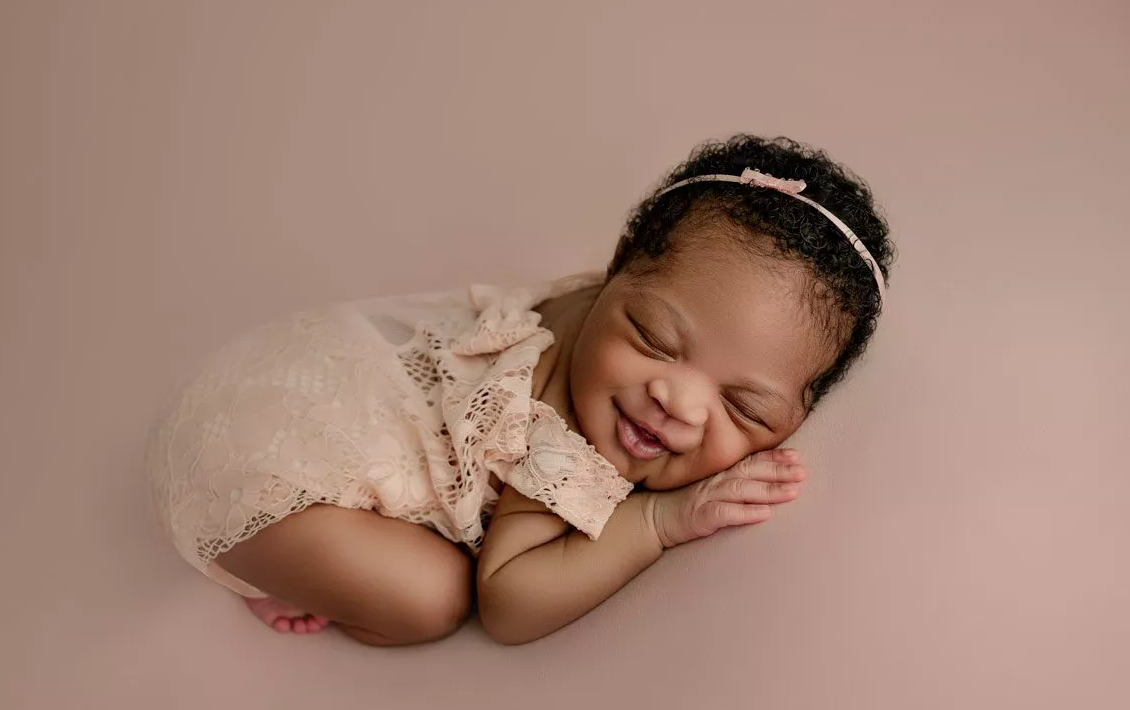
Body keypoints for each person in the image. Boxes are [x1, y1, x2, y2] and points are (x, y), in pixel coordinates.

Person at [145, 134, 895, 646]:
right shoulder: (561, 432)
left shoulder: (600, 308)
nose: (679, 401)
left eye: (743, 407)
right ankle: (274, 570)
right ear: (616, 272)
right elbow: (509, 603)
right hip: (249, 466)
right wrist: (660, 521)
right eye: (654, 340)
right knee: (433, 599)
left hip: (277, 367)